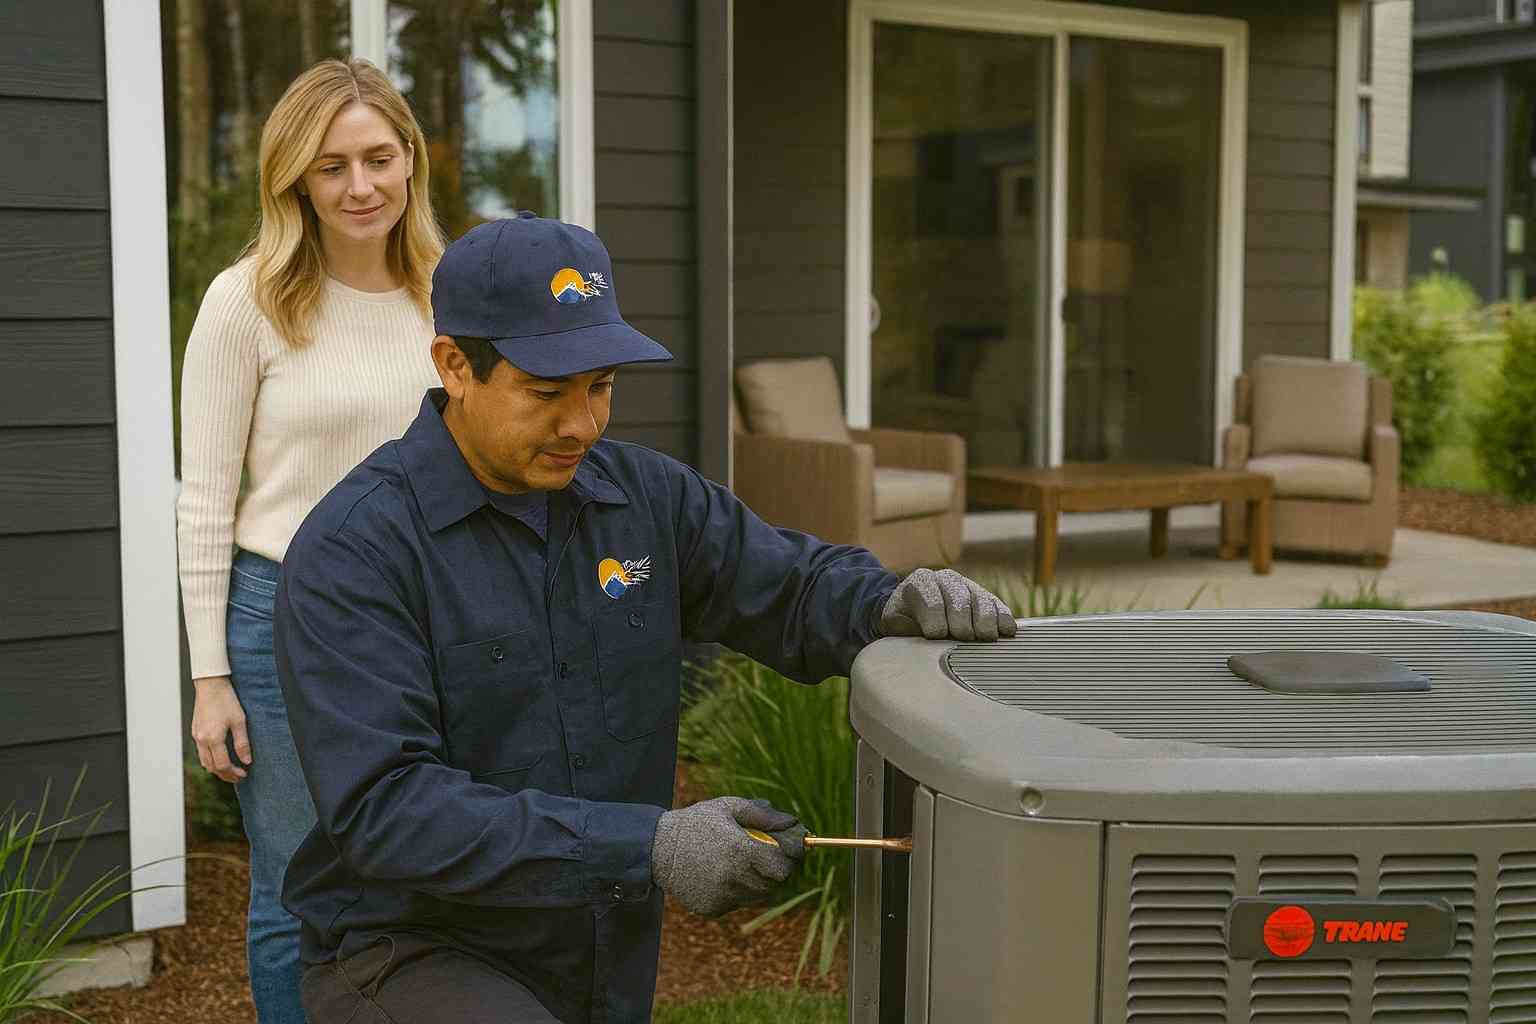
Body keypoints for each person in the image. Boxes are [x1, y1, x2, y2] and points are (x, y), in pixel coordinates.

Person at [272, 214, 1017, 1024]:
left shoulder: (649, 500)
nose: (583, 425)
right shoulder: (357, 552)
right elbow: (390, 810)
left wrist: (886, 600)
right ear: (455, 365)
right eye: (546, 392)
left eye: (601, 387)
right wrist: (645, 845)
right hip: (409, 951)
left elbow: (794, 589)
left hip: (597, 947)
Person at [175, 58, 445, 1024]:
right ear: (294, 178)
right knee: (297, 883)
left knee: (425, 867)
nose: (360, 186)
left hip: (428, 624)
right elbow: (204, 499)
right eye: (331, 167)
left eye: (378, 157)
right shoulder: (244, 301)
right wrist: (211, 677)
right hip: (278, 616)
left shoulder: (452, 298)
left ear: (411, 160)